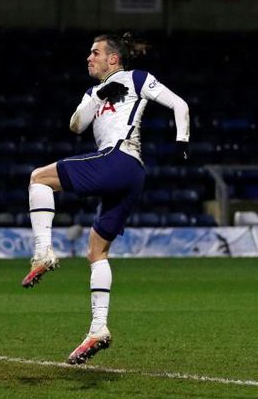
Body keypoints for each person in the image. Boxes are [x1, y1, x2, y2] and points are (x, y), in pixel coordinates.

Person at [21, 32, 190, 365]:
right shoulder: (93, 91)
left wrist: (181, 140)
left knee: (38, 178)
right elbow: (76, 125)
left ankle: (43, 252)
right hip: (131, 177)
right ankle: (98, 329)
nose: (89, 57)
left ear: (114, 58)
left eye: (95, 52)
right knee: (97, 251)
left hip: (119, 159)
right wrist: (98, 94)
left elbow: (179, 104)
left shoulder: (137, 78)